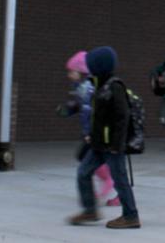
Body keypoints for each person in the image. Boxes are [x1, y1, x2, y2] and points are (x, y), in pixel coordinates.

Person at [67, 46, 141, 229]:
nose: (88, 67)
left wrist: (117, 145)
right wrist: (92, 136)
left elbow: (121, 118)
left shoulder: (114, 86)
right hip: (99, 143)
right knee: (83, 172)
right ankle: (90, 210)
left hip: (113, 146)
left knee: (120, 180)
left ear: (99, 66)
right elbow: (96, 116)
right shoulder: (97, 84)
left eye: (91, 64)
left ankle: (131, 216)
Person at [58, 51, 115, 206]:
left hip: (93, 131)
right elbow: (78, 106)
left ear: (81, 72)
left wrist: (92, 132)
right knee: (85, 157)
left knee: (87, 158)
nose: (69, 75)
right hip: (88, 131)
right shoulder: (80, 87)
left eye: (72, 71)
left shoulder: (89, 87)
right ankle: (109, 183)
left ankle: (108, 182)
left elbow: (90, 108)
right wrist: (67, 110)